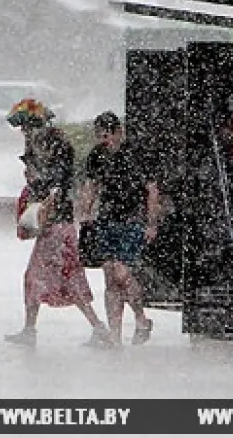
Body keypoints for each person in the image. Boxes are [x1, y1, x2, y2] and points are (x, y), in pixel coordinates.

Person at [5, 127, 112, 348]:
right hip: (64, 231)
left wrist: (34, 183)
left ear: (48, 147)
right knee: (70, 280)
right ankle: (98, 327)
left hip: (54, 233)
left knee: (35, 279)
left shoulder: (56, 171)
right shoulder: (62, 167)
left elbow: (50, 195)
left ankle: (30, 330)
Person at [77, 112, 161, 346]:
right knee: (109, 278)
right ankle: (115, 335)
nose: (105, 141)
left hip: (133, 219)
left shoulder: (137, 153)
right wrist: (85, 212)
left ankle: (141, 318)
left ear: (119, 132)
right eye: (100, 136)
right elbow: (91, 186)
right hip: (106, 220)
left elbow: (152, 189)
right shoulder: (97, 156)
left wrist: (151, 223)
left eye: (109, 136)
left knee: (122, 272)